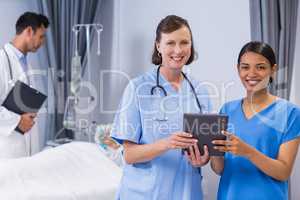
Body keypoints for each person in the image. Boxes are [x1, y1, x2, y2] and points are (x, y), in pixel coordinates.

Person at [110, 15, 211, 199]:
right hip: (146, 192)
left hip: (187, 191)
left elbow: (205, 147)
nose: (178, 50)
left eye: (184, 42)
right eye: (170, 43)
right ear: (158, 46)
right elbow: (129, 155)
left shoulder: (200, 91)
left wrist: (203, 159)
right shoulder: (137, 88)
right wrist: (167, 143)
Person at [210, 41, 300, 200]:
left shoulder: (290, 113)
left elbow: (283, 172)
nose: (251, 73)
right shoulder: (226, 110)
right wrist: (213, 152)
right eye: (245, 67)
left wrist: (247, 152)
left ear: (273, 70)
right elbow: (219, 169)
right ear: (238, 69)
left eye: (260, 67)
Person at [0, 12, 49, 158]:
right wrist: (17, 121)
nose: (43, 42)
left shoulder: (26, 63)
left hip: (26, 148)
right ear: (29, 31)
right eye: (41, 36)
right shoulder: (2, 61)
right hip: (6, 150)